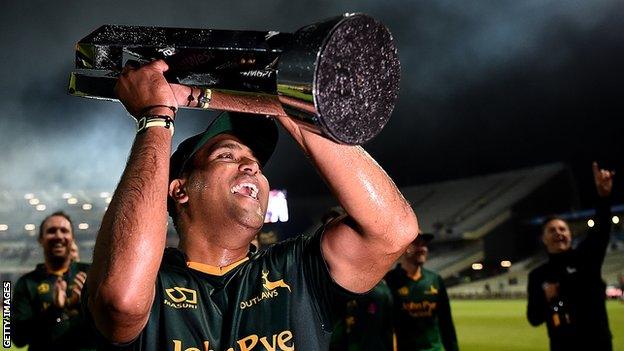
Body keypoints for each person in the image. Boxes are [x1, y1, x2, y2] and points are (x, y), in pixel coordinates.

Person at [84, 60, 418, 351]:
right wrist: (156, 117)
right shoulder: (155, 284)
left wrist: (283, 105)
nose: (251, 167)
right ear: (180, 190)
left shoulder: (295, 269)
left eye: (255, 162)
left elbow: (392, 231)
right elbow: (122, 302)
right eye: (227, 155)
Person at [527, 162, 614, 351]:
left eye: (562, 229)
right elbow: (533, 319)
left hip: (598, 345)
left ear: (570, 234)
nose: (558, 233)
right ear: (543, 238)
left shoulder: (586, 258)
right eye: (551, 230)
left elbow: (601, 231)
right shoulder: (538, 276)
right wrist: (547, 299)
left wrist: (603, 198)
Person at [12, 211, 93, 350]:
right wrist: (54, 310)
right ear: (40, 239)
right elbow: (17, 338)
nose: (59, 236)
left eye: (64, 231)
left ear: (72, 238)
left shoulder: (90, 274)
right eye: (51, 231)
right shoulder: (25, 283)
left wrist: (85, 304)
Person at [385, 233, 459, 351]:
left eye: (424, 244)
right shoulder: (389, 280)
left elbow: (446, 324)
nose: (423, 249)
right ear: (404, 248)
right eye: (417, 244)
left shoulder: (435, 279)